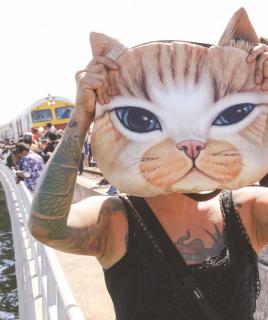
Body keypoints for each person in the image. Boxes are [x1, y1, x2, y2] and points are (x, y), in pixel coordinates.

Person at [29, 11, 268, 319]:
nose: (189, 145)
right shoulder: (117, 220)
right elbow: (47, 225)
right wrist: (82, 116)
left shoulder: (247, 210)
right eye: (141, 120)